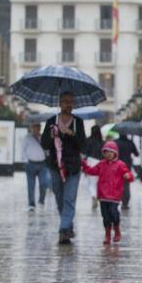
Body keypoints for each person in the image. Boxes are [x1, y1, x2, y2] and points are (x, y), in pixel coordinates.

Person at [41, 91, 87, 244]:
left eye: (71, 102)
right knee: (60, 199)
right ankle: (68, 226)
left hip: (73, 167)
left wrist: (70, 133)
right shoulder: (51, 121)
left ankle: (63, 229)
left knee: (69, 199)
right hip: (55, 166)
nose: (69, 104)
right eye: (66, 101)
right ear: (60, 103)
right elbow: (44, 144)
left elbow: (83, 144)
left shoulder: (78, 122)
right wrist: (52, 135)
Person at [82, 140, 134, 244]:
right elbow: (92, 171)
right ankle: (107, 235)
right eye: (106, 152)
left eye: (111, 151)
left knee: (114, 213)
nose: (108, 154)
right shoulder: (101, 164)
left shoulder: (120, 165)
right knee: (105, 217)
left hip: (115, 196)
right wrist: (84, 164)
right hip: (103, 196)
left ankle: (117, 229)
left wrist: (128, 176)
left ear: (115, 153)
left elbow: (129, 176)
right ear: (103, 153)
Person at [23, 122, 49, 210]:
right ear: (32, 128)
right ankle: (31, 203)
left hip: (42, 164)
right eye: (35, 127)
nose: (37, 129)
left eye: (38, 127)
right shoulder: (27, 138)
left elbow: (47, 150)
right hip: (31, 163)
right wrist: (25, 160)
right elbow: (23, 149)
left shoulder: (43, 138)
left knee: (43, 183)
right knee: (31, 184)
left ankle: (41, 199)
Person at [114, 134, 139, 209]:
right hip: (127, 166)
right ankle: (125, 203)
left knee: (117, 183)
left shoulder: (115, 142)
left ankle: (117, 200)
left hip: (117, 166)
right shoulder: (130, 142)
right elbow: (136, 154)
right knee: (126, 184)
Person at [84, 125, 104, 209]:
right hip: (100, 162)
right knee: (98, 182)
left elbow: (85, 153)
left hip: (90, 161)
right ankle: (98, 196)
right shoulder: (102, 142)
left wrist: (84, 166)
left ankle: (94, 196)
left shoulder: (88, 140)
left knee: (91, 183)